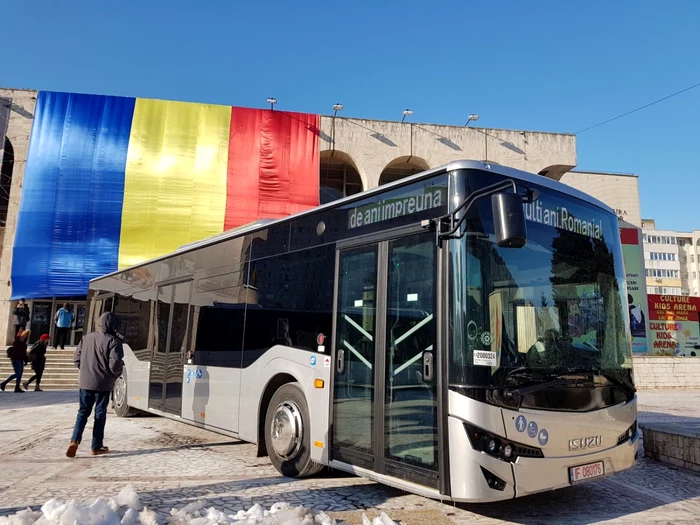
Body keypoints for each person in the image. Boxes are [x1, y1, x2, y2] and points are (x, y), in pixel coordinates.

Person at [66, 312, 124, 458]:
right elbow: (115, 363)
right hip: (103, 384)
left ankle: (74, 441)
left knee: (82, 412)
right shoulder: (114, 341)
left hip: (85, 382)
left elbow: (77, 358)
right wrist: (115, 375)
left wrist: (85, 371)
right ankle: (96, 446)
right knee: (100, 414)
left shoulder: (86, 338)